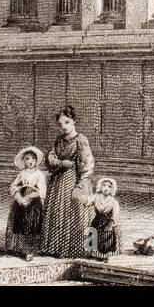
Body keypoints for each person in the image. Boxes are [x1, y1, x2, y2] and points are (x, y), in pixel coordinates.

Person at [40, 105, 95, 258]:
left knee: (80, 215)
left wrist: (80, 185)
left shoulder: (81, 140)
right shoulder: (59, 140)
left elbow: (87, 165)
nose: (63, 127)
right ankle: (58, 248)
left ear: (73, 122)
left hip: (75, 180)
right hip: (58, 181)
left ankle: (86, 248)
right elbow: (50, 157)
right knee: (58, 213)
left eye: (67, 122)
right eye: (60, 124)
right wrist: (60, 163)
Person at [4, 146, 47, 257]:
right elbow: (14, 186)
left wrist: (30, 196)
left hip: (34, 203)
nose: (30, 161)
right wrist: (19, 197)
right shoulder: (21, 174)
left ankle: (30, 250)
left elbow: (42, 191)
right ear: (23, 161)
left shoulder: (39, 174)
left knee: (32, 224)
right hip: (21, 203)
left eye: (33, 158)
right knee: (19, 223)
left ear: (36, 160)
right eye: (27, 159)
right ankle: (19, 247)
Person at [75, 176, 124, 260]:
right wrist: (78, 197)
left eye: (109, 186)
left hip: (107, 222)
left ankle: (103, 256)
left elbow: (115, 215)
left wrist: (111, 224)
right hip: (97, 221)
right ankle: (91, 253)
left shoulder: (113, 202)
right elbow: (88, 200)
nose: (106, 188)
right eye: (104, 185)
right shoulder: (96, 197)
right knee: (92, 233)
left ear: (112, 189)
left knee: (106, 237)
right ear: (100, 186)